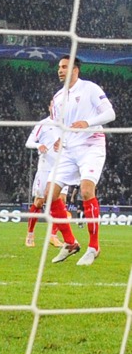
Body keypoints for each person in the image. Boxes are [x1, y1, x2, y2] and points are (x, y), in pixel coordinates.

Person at [48, 55, 115, 266]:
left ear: (76, 70)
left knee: (86, 191)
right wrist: (61, 138)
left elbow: (110, 114)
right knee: (50, 194)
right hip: (69, 149)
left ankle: (94, 247)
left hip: (91, 145)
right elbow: (63, 124)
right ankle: (70, 243)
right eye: (59, 67)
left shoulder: (90, 89)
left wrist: (88, 122)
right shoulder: (58, 97)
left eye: (65, 66)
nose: (60, 70)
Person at [24, 116, 67, 248]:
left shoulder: (68, 122)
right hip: (45, 166)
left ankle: (53, 235)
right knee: (39, 201)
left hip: (62, 165)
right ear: (50, 107)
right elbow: (28, 142)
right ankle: (30, 234)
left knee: (62, 200)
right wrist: (39, 145)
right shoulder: (43, 123)